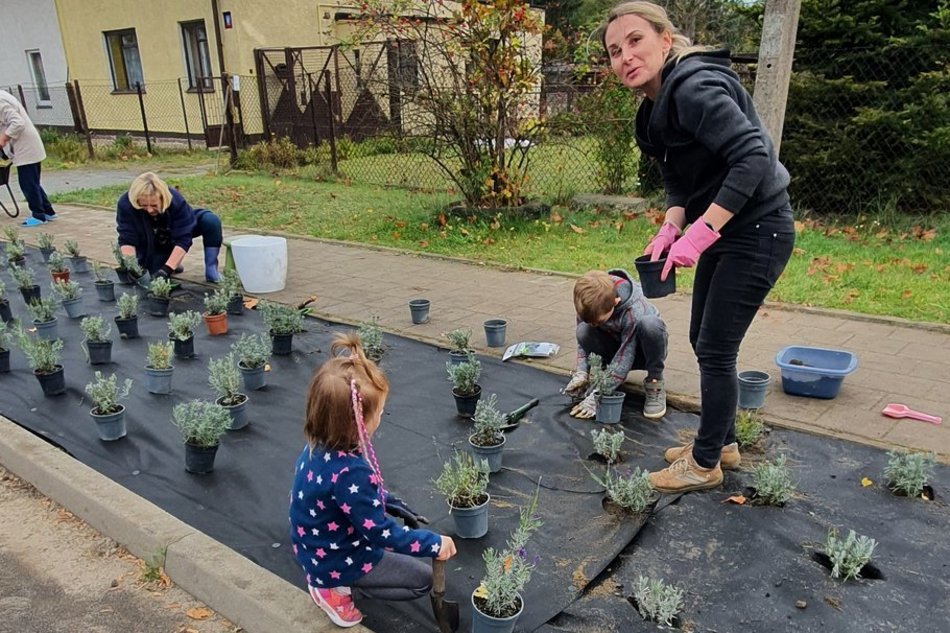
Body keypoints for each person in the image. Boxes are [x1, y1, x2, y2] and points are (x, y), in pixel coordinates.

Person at [597, 2, 795, 493]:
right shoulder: (651, 114)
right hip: (732, 232)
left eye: (636, 41)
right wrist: (671, 225)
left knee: (716, 347)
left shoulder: (694, 87)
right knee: (702, 338)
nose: (626, 57)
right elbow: (677, 177)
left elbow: (753, 156)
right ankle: (722, 441)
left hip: (759, 229)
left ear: (666, 40)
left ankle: (705, 464)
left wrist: (704, 229)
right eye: (615, 51)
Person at [289, 333, 457, 628]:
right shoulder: (351, 473)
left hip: (314, 545)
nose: (381, 416)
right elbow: (381, 534)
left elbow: (352, 501)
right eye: (379, 411)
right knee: (422, 580)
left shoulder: (318, 445)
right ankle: (335, 590)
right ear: (356, 423)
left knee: (395, 542)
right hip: (337, 557)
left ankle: (331, 579)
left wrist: (390, 502)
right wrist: (433, 544)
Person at [564, 269, 668, 420]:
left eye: (599, 322)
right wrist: (581, 373)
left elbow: (626, 355)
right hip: (615, 350)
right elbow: (582, 341)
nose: (594, 324)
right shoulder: (589, 302)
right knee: (583, 331)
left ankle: (655, 381)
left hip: (641, 351)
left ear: (615, 302)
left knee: (650, 325)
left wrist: (599, 396)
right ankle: (608, 374)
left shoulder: (634, 310)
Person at [115, 172, 222, 282]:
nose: (150, 210)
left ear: (162, 199)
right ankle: (171, 261)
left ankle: (211, 269)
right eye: (144, 206)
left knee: (211, 221)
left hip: (174, 228)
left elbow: (183, 239)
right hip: (148, 238)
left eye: (154, 205)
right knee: (152, 274)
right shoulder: (126, 204)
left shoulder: (175, 200)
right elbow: (127, 239)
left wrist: (167, 269)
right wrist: (133, 268)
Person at [0, 88, 57, 226]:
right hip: (26, 145)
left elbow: (17, 122)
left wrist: (4, 137)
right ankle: (48, 211)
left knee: (27, 183)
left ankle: (38, 216)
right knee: (33, 182)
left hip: (25, 146)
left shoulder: (0, 101)